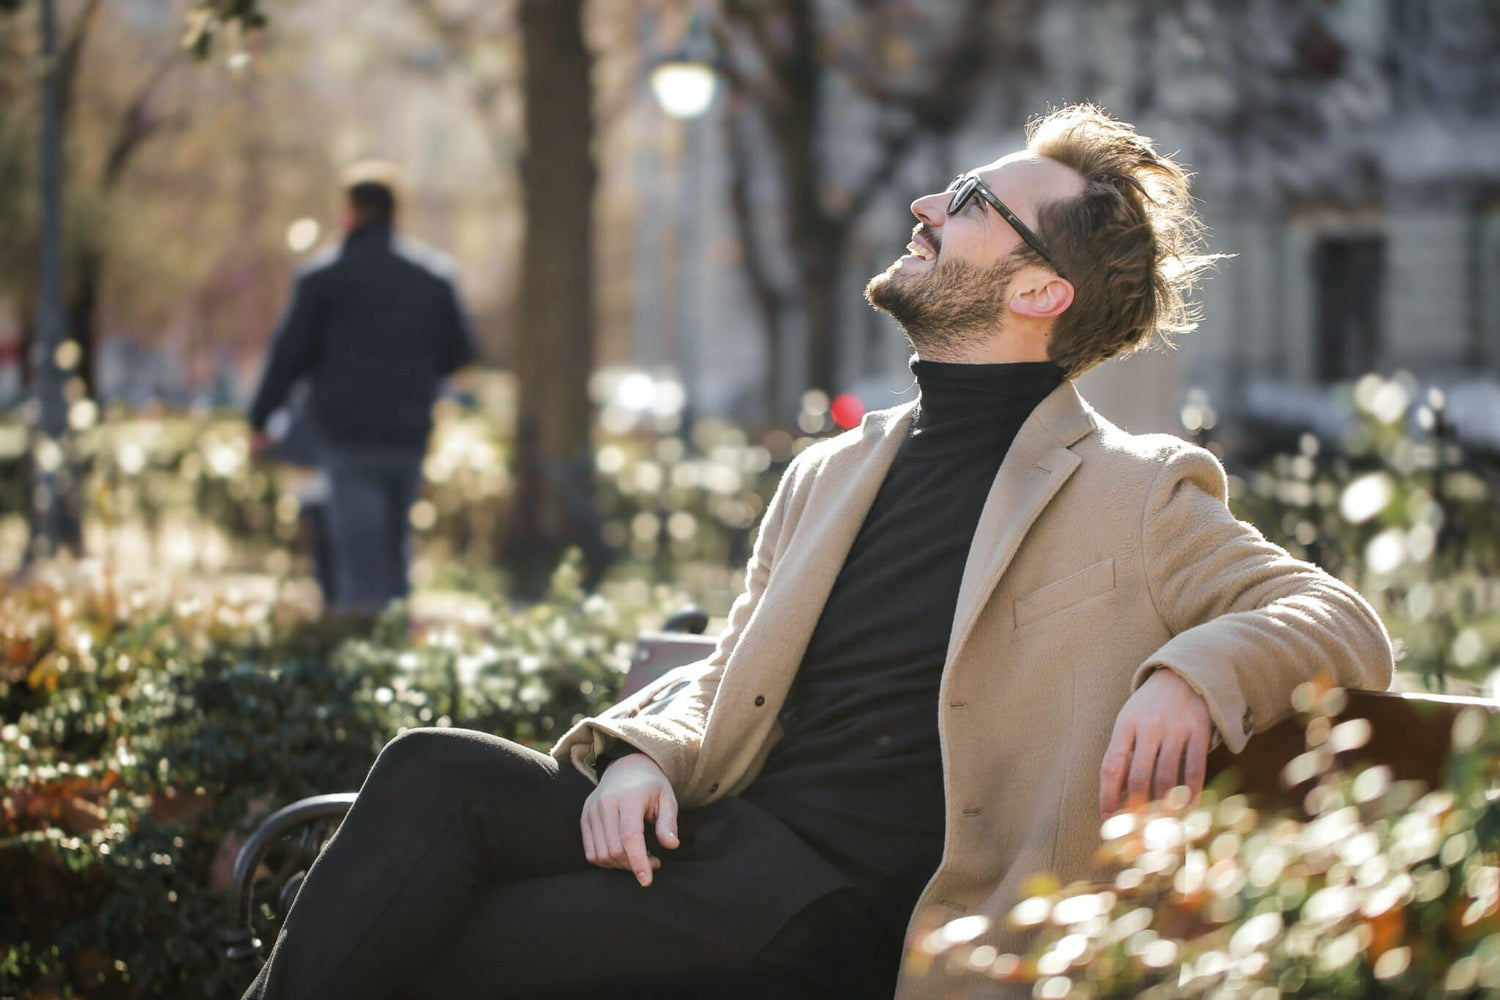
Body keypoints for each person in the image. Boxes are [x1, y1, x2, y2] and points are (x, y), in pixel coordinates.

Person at [239, 105, 1394, 1000]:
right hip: (725, 842)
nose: (928, 203)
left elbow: (1340, 621)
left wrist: (1194, 671)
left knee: (426, 950)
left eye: (974, 198)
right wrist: (645, 752)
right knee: (433, 771)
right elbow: (727, 663)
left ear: (1040, 287)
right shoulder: (837, 469)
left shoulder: (1132, 493)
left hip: (836, 911)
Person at [248, 162, 477, 616]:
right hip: (409, 431)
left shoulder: (323, 277)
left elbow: (288, 355)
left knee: (358, 553)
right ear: (395, 213)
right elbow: (460, 352)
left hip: (345, 432)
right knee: (393, 546)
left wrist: (259, 418)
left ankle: (369, 655)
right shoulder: (432, 277)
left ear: (349, 212)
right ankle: (392, 645)